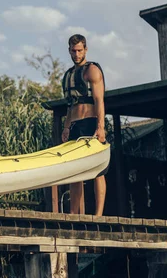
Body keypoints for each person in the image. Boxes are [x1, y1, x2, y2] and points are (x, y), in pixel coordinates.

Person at [61, 34, 107, 216]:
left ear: (85, 49)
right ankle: (74, 212)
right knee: (75, 170)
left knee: (98, 169)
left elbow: (99, 100)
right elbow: (70, 105)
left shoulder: (92, 70)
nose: (77, 54)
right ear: (69, 51)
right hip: (74, 124)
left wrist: (100, 126)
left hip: (91, 122)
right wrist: (66, 127)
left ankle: (98, 214)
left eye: (80, 50)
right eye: (73, 51)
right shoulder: (68, 75)